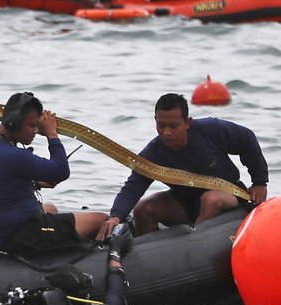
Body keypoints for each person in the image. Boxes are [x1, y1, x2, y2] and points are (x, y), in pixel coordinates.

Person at [98, 93, 269, 240]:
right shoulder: (152, 154)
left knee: (210, 200)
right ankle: (146, 257)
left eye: (173, 126)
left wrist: (259, 182)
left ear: (187, 123)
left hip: (227, 197)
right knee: (143, 208)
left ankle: (195, 248)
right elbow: (133, 187)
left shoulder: (211, 130)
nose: (166, 132)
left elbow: (247, 138)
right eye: (161, 125)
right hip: (185, 203)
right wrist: (115, 216)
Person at [0, 91, 107, 256]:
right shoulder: (14, 155)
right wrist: (51, 133)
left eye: (37, 126)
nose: (35, 131)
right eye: (32, 126)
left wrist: (34, 184)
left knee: (51, 208)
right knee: (100, 220)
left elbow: (2, 182)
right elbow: (61, 171)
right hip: (19, 236)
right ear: (13, 123)